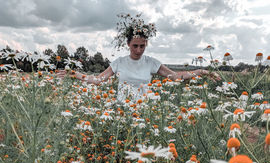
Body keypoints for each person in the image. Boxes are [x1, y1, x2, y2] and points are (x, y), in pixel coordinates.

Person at [57, 14, 220, 102]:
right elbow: (99, 80)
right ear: (128, 44)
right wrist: (75, 75)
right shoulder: (119, 62)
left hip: (145, 113)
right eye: (135, 46)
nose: (139, 50)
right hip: (122, 111)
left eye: (142, 46)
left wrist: (203, 71)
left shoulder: (151, 63)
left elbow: (177, 77)